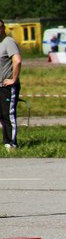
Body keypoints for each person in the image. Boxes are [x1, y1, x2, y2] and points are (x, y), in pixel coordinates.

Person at [0, 20, 22, 149]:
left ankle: (11, 143)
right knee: (1, 115)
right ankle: (6, 141)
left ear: (3, 29)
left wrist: (13, 79)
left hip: (7, 86)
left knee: (8, 114)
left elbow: (17, 61)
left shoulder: (8, 42)